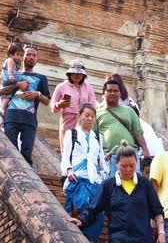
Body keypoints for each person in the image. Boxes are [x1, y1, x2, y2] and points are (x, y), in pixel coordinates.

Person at [66, 140, 165, 243]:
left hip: (144, 238)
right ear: (116, 163)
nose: (128, 170)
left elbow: (157, 211)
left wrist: (161, 233)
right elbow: (93, 209)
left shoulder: (145, 185)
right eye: (124, 166)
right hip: (118, 238)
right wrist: (81, 220)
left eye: (132, 166)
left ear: (137, 163)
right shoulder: (108, 185)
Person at [0, 44, 50, 167]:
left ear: (37, 59)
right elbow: (0, 92)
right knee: (11, 150)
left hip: (29, 119)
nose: (31, 57)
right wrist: (17, 85)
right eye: (28, 54)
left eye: (34, 55)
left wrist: (37, 94)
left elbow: (47, 101)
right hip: (11, 116)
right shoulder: (12, 74)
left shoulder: (41, 78)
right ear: (22, 56)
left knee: (26, 153)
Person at [61, 103, 106, 242]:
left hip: (94, 179)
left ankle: (90, 238)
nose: (90, 119)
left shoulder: (98, 137)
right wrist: (68, 171)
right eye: (87, 115)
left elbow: (101, 160)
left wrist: (105, 175)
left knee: (98, 211)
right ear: (80, 116)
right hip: (77, 177)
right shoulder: (71, 133)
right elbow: (66, 156)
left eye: (93, 116)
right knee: (80, 207)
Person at [94, 79, 150, 178]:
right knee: (112, 189)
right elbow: (94, 138)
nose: (113, 93)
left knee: (133, 187)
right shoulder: (97, 114)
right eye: (109, 90)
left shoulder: (129, 111)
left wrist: (145, 150)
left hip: (131, 155)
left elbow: (138, 133)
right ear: (103, 93)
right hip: (110, 157)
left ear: (120, 93)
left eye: (116, 91)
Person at [51, 60, 96, 151]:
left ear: (83, 75)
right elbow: (53, 106)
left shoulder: (88, 88)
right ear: (69, 73)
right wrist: (59, 104)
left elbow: (93, 106)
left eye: (80, 73)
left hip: (84, 120)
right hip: (68, 120)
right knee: (67, 147)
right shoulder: (61, 86)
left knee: (83, 148)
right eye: (74, 73)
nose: (77, 75)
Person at [0, 43, 26, 112]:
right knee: (26, 80)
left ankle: (3, 108)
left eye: (21, 55)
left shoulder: (16, 62)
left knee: (10, 94)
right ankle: (21, 95)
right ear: (11, 54)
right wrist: (10, 75)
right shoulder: (10, 60)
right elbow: (10, 69)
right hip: (8, 78)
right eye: (17, 54)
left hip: (8, 81)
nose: (19, 57)